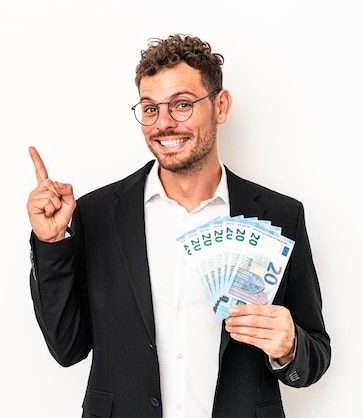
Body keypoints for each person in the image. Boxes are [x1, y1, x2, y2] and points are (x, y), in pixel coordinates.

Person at [25, 34, 330, 418]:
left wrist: (289, 347)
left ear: (221, 106)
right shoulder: (98, 214)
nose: (164, 124)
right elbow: (67, 347)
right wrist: (51, 243)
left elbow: (315, 356)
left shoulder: (279, 216)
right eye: (150, 109)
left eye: (182, 105)